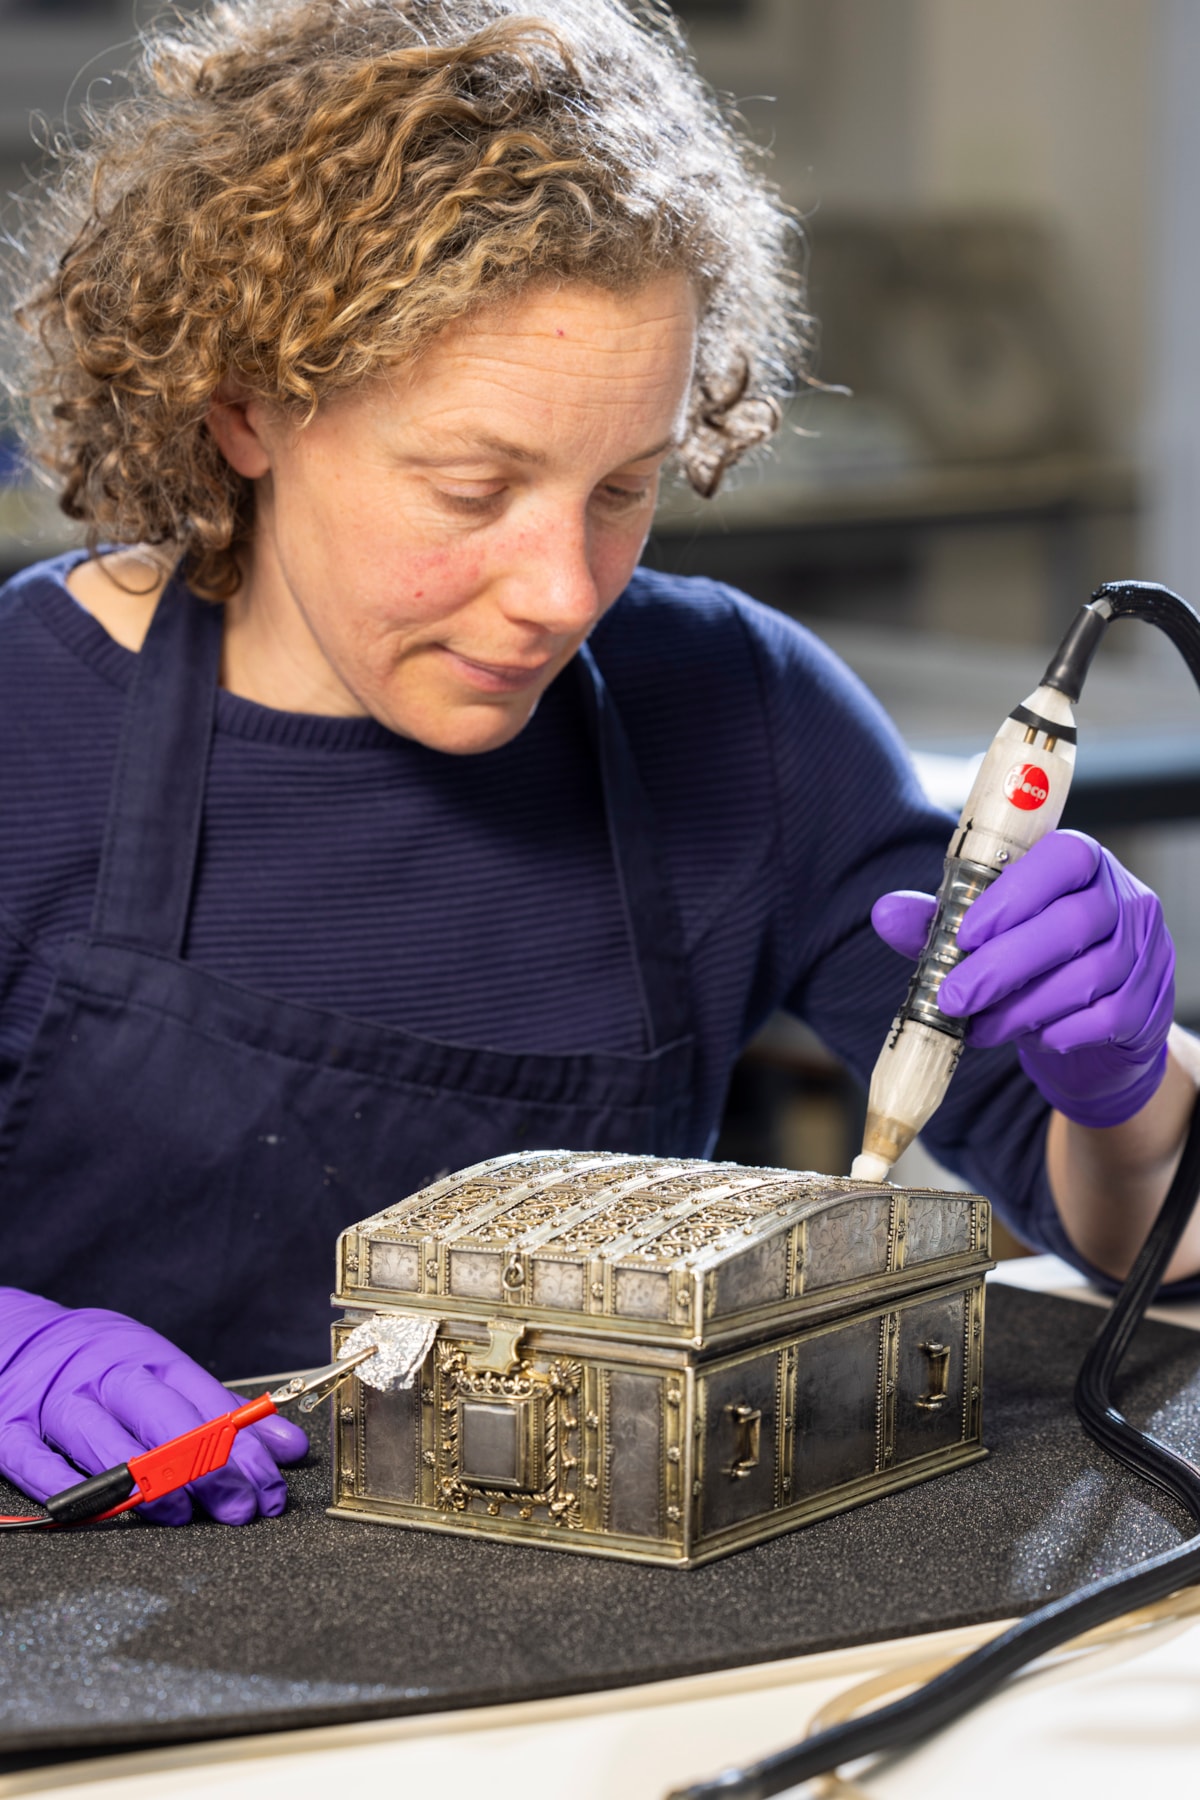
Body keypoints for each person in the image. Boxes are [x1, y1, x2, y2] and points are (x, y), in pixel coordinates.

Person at [0, 0, 1195, 1529]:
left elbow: (1157, 1238)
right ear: (247, 410)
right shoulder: (28, 731)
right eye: (473, 484)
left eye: (621, 491)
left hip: (582, 1660)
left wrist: (1131, 1096)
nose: (565, 592)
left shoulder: (737, 719)